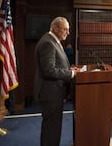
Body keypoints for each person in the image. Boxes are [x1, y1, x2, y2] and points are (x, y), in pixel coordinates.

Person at [34, 17, 80, 146]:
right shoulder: (48, 43)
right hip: (50, 93)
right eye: (65, 29)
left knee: (53, 129)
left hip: (54, 93)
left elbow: (56, 65)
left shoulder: (54, 41)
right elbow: (49, 70)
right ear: (55, 28)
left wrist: (69, 68)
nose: (68, 32)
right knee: (51, 130)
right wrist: (71, 73)